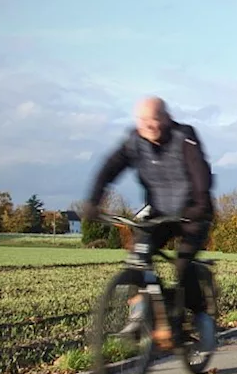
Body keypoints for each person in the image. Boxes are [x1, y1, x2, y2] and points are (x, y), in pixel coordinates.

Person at [82, 96, 215, 349]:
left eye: (155, 119)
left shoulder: (184, 137)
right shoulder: (135, 142)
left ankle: (200, 315)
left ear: (166, 117)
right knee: (138, 257)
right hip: (160, 212)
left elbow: (200, 174)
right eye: (143, 120)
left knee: (183, 266)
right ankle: (143, 312)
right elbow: (110, 167)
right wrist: (93, 200)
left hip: (193, 212)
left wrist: (199, 205)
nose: (149, 125)